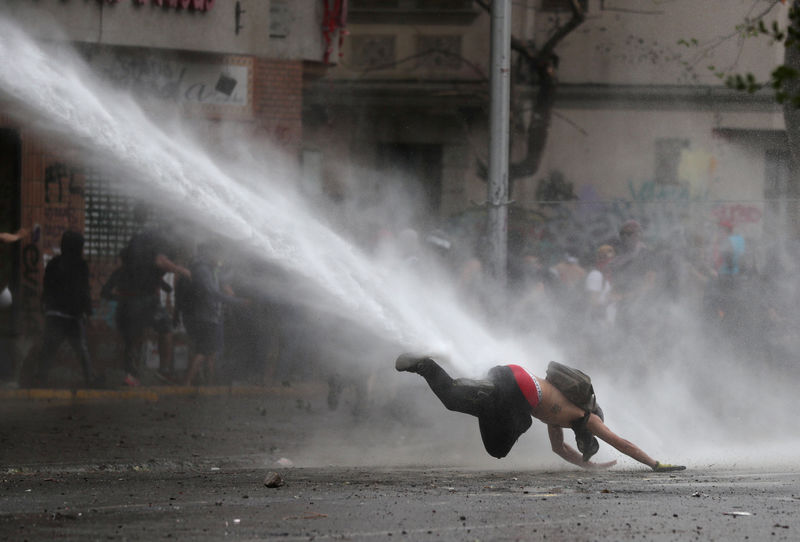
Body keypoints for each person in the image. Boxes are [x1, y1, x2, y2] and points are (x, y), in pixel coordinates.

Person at [395, 353, 685, 472]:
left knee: (452, 402)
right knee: (514, 428)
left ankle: (425, 366)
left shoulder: (558, 417)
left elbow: (559, 449)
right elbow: (621, 443)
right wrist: (655, 464)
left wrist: (589, 467)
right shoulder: (585, 416)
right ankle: (488, 395)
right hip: (520, 392)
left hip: (507, 375)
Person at [113, 204, 190, 386]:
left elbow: (135, 264)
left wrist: (160, 283)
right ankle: (163, 371)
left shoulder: (138, 239)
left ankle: (131, 375)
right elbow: (159, 261)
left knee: (133, 336)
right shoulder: (156, 240)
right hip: (145, 298)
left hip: (129, 297)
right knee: (165, 328)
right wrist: (181, 270)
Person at [32, 230, 99, 387]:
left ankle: (40, 379)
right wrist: (89, 315)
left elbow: (46, 287)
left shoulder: (53, 263)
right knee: (82, 350)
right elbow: (84, 291)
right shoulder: (81, 265)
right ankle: (90, 380)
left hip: (54, 314)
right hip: (72, 317)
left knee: (48, 349)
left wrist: (45, 309)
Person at [175, 239, 244, 386]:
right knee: (204, 351)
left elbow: (220, 286)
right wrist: (238, 302)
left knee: (210, 351)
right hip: (205, 316)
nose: (222, 259)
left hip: (209, 315)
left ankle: (209, 383)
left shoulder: (209, 268)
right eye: (220, 255)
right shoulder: (202, 270)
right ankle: (187, 382)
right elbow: (212, 292)